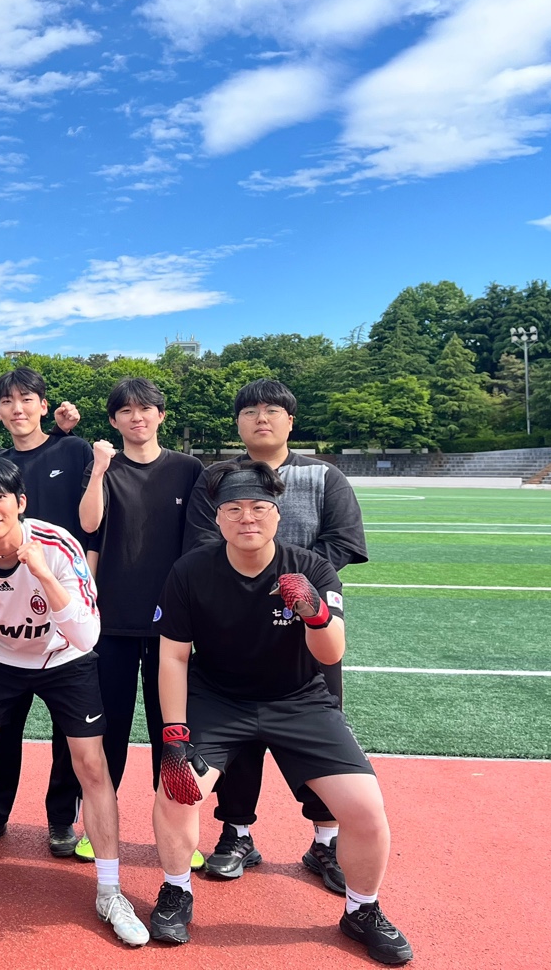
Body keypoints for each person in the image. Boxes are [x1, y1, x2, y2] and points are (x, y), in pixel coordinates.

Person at [149, 461, 411, 964]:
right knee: (177, 791)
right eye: (233, 509)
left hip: (298, 699)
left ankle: (362, 910)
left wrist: (314, 611)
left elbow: (332, 652)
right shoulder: (190, 571)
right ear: (217, 518)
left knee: (365, 809)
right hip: (218, 698)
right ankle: (176, 890)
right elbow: (174, 657)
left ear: (277, 514)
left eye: (258, 508)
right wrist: (175, 734)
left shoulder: (311, 567)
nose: (246, 518)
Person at [0, 456, 147, 946]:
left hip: (65, 658)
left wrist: (42, 573)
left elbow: (87, 636)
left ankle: (110, 891)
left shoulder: (58, 546)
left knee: (92, 766)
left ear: (20, 502)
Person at [182, 379, 368, 892]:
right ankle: (236, 833)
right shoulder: (217, 477)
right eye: (249, 411)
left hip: (308, 627)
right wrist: (249, 579)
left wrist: (292, 582)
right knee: (234, 734)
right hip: (232, 626)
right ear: (238, 422)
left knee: (320, 735)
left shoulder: (324, 476)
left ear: (290, 420)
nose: (261, 418)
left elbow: (343, 541)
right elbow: (200, 539)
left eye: (271, 410)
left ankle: (325, 839)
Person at [75, 376, 205, 864]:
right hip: (112, 619)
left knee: (169, 730)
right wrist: (98, 469)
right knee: (108, 729)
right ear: (114, 420)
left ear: (160, 415)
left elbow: (199, 542)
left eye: (145, 408)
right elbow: (89, 524)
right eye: (126, 411)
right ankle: (97, 826)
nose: (137, 417)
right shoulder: (104, 467)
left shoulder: (188, 469)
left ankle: (173, 833)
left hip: (172, 622)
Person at [0, 367, 97, 858]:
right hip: (9, 605)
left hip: (61, 599)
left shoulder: (74, 449)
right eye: (7, 401)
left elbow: (93, 519)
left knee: (70, 730)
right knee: (2, 727)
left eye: (26, 399)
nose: (17, 409)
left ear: (44, 405)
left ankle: (61, 819)